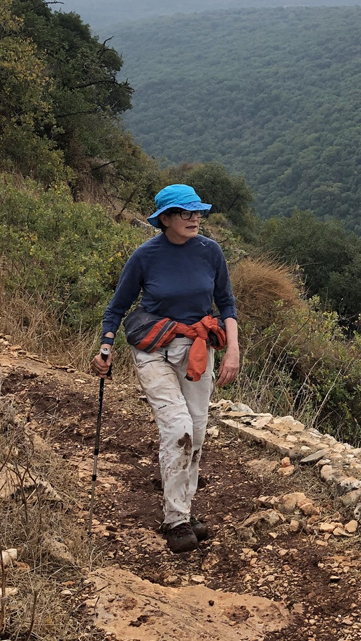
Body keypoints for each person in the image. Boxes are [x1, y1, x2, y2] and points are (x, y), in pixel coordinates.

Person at [91, 184, 240, 553]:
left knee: (199, 433)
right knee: (178, 429)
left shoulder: (211, 252)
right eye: (184, 213)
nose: (194, 219)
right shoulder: (146, 255)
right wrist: (105, 348)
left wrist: (233, 351)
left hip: (197, 350)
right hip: (153, 349)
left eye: (196, 212)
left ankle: (184, 509)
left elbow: (226, 304)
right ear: (166, 219)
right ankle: (175, 520)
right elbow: (116, 308)